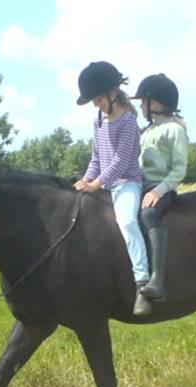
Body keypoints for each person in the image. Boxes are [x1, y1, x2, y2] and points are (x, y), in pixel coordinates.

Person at [73, 61, 152, 316]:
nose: (96, 105)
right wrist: (85, 181)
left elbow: (120, 160)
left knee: (127, 221)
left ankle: (142, 281)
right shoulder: (98, 122)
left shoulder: (128, 122)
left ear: (113, 91)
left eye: (97, 99)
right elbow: (96, 157)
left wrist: (96, 184)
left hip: (127, 184)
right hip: (104, 185)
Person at [131, 73, 188, 304]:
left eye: (143, 101)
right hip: (141, 185)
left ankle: (157, 278)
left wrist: (159, 191)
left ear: (155, 103)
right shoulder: (146, 132)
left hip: (161, 188)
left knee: (148, 214)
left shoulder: (174, 130)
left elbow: (179, 169)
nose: (141, 106)